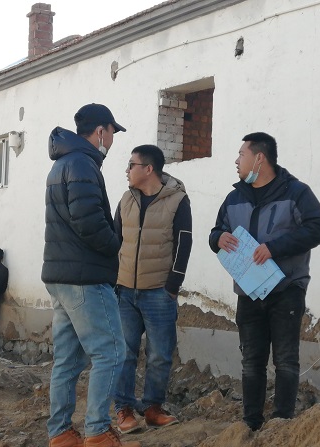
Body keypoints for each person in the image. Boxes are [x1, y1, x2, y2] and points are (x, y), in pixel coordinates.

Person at [209, 132, 320, 431]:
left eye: (242, 154)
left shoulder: (296, 193)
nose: (237, 161)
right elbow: (217, 231)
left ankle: (281, 424)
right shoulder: (234, 198)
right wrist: (217, 238)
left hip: (286, 290)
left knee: (285, 360)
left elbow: (316, 229)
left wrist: (275, 248)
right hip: (248, 293)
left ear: (259, 158)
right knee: (251, 361)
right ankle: (251, 424)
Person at [41, 104, 140, 447]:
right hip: (85, 277)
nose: (111, 140)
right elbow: (88, 221)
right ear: (100, 131)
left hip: (62, 275)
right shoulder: (82, 164)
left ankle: (61, 432)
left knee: (68, 360)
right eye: (112, 133)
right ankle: (97, 431)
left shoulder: (62, 163)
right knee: (111, 351)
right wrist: (114, 245)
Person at [113, 145, 193, 434]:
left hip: (159, 292)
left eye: (131, 165)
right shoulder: (126, 199)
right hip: (125, 292)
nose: (127, 170)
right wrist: (113, 282)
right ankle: (123, 409)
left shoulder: (177, 200)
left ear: (148, 169)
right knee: (124, 353)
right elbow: (114, 240)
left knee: (159, 354)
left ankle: (152, 408)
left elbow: (184, 243)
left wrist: (172, 286)